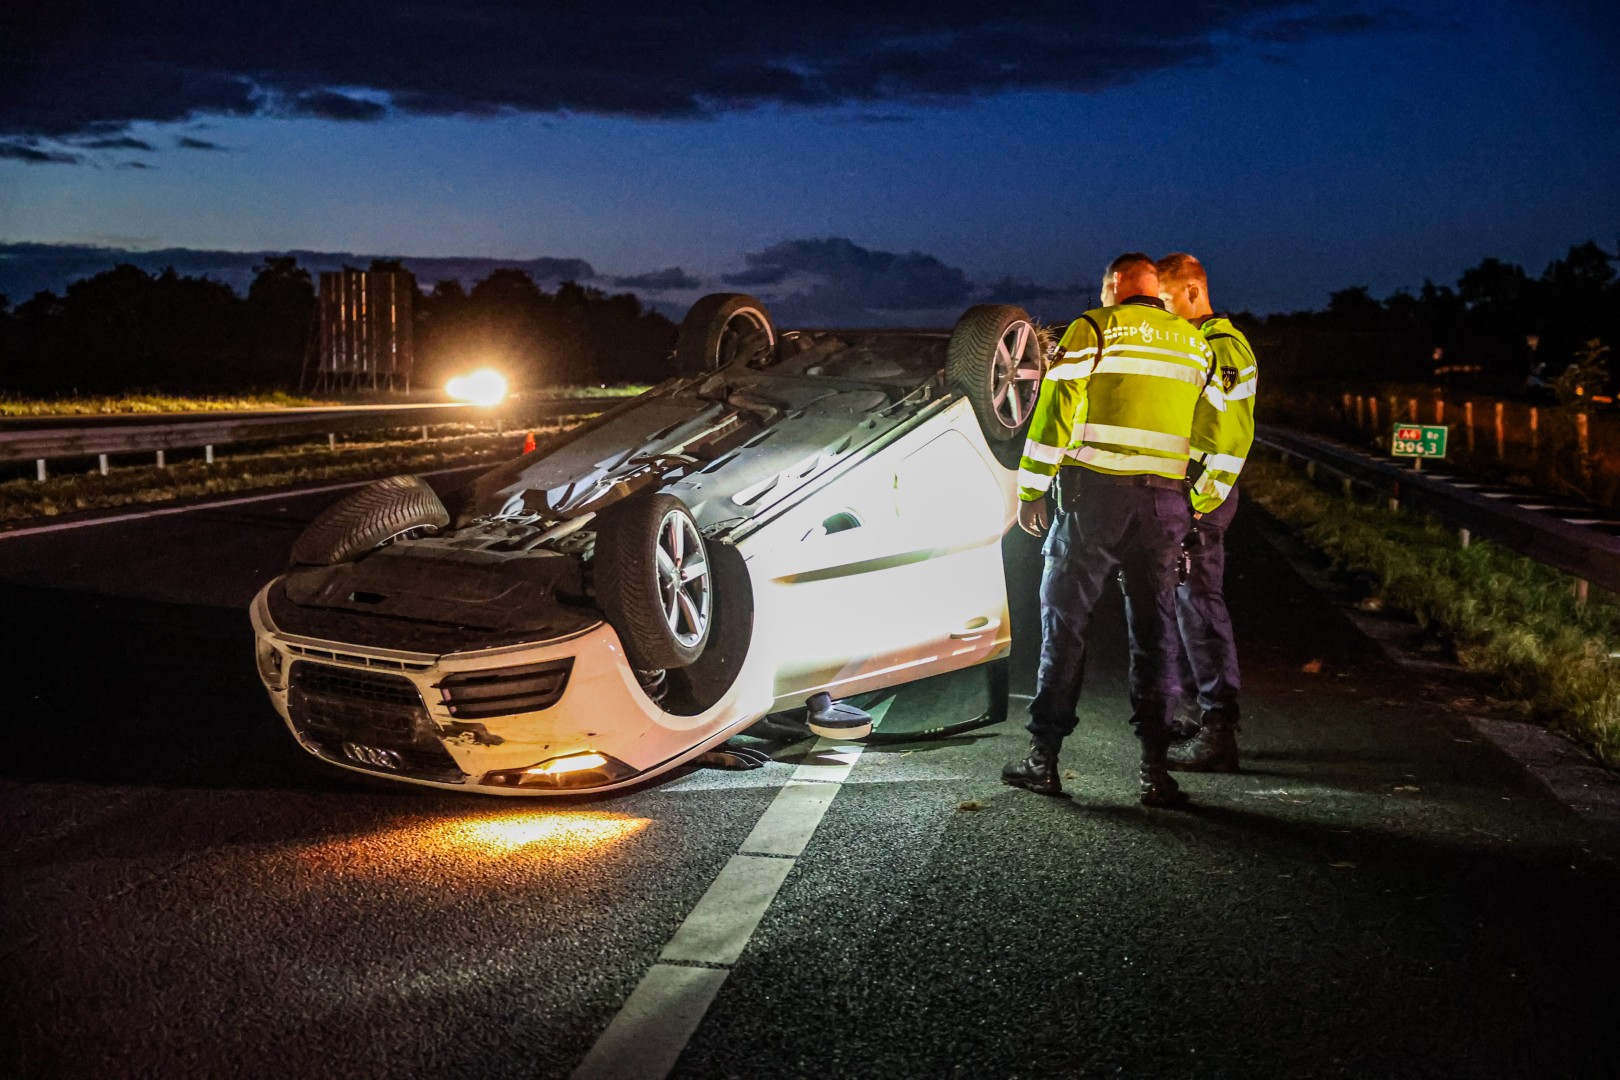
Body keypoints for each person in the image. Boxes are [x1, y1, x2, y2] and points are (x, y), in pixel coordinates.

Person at [1002, 253, 1215, 807]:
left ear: (1114, 285)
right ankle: (1154, 771)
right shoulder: (1195, 344)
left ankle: (1043, 760)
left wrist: (1030, 489)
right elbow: (1208, 430)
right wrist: (1195, 504)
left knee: (1065, 625)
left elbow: (1056, 409)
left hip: (1093, 497)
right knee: (1156, 633)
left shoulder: (1094, 328)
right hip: (1166, 503)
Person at [1155, 252, 1257, 772]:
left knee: (1200, 604)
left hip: (1202, 498)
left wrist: (1194, 505)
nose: (1163, 313)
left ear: (1193, 291)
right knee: (1187, 604)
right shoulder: (1202, 344)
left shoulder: (1221, 347)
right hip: (1192, 496)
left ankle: (1219, 731)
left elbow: (1222, 436)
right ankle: (1202, 716)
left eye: (1168, 301)